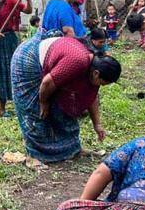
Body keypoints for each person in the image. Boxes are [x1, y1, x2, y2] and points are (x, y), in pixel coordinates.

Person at [11, 34, 121, 162]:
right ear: (96, 74)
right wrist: (43, 102)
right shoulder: (78, 61)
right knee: (36, 111)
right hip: (29, 59)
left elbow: (91, 96)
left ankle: (71, 150)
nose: (102, 86)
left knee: (66, 105)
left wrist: (97, 124)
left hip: (54, 65)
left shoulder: (93, 67)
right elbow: (47, 82)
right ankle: (35, 156)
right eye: (103, 83)